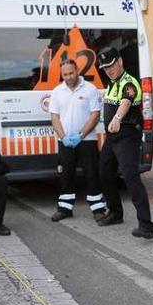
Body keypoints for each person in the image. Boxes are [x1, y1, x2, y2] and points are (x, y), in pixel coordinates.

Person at [95, 47, 153, 239]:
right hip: (112, 138)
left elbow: (127, 101)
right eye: (104, 67)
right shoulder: (112, 83)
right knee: (104, 172)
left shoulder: (129, 82)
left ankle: (146, 225)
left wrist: (118, 118)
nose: (108, 70)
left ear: (120, 61)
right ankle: (115, 213)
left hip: (127, 136)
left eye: (111, 65)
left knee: (131, 177)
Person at [48, 59, 106, 223]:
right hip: (66, 141)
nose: (68, 77)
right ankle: (65, 208)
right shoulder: (57, 91)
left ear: (77, 70)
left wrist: (80, 135)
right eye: (65, 74)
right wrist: (63, 137)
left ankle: (98, 209)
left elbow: (95, 115)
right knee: (66, 175)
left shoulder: (90, 89)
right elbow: (54, 117)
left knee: (92, 174)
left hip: (87, 140)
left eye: (71, 73)